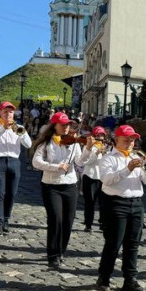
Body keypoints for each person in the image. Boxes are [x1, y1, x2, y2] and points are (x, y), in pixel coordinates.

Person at [95, 125, 146, 291]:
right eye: (126, 139)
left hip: (136, 202)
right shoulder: (108, 158)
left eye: (133, 139)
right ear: (116, 139)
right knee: (113, 243)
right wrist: (127, 168)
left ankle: (130, 280)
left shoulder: (137, 156)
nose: (130, 142)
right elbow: (107, 180)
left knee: (133, 244)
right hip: (115, 203)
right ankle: (104, 277)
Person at [31, 112, 86, 270]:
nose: (66, 127)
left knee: (68, 221)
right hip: (51, 186)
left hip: (70, 185)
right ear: (54, 125)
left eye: (68, 124)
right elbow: (36, 162)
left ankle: (61, 250)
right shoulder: (46, 144)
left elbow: (80, 161)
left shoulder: (74, 143)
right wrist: (56, 167)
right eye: (62, 124)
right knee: (55, 220)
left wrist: (88, 148)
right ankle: (53, 255)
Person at [0, 102, 33, 235]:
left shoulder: (18, 127)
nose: (8, 114)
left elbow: (28, 145)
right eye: (5, 111)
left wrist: (18, 131)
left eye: (10, 112)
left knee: (12, 193)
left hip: (14, 161)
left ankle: (6, 219)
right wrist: (3, 129)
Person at [79, 126, 108, 232]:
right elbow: (87, 162)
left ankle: (103, 222)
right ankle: (88, 224)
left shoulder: (106, 146)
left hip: (102, 177)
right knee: (90, 202)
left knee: (103, 203)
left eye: (102, 135)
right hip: (90, 176)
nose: (101, 137)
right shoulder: (89, 146)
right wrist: (97, 153)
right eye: (99, 135)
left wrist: (106, 154)